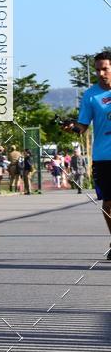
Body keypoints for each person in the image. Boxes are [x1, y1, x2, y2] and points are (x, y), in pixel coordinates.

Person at [65, 52, 111, 258]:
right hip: (103, 157)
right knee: (109, 203)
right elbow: (82, 127)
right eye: (98, 69)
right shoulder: (91, 95)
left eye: (105, 69)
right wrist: (70, 127)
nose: (101, 73)